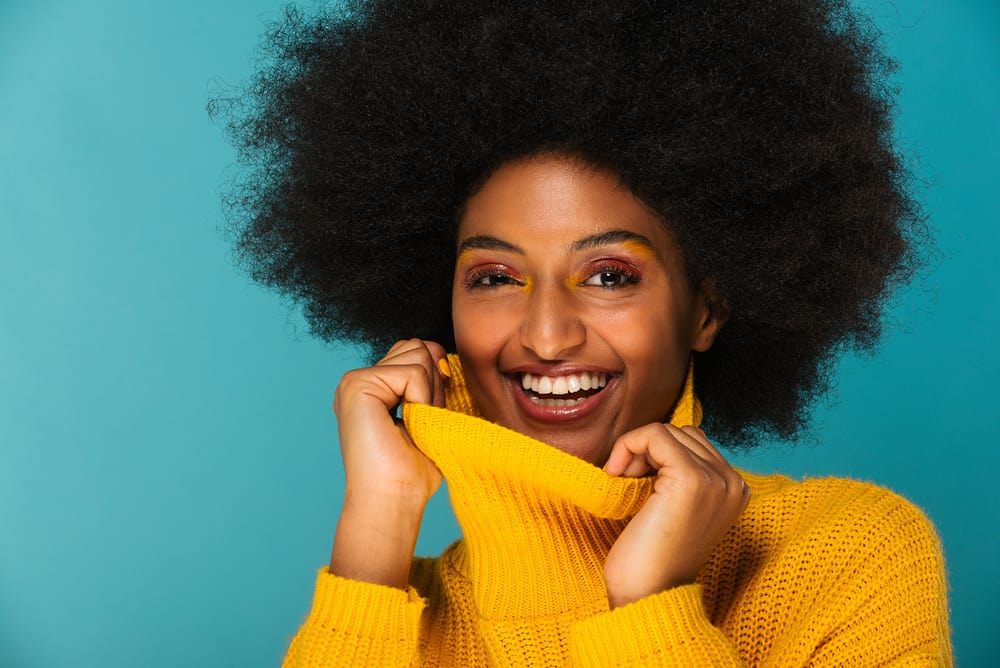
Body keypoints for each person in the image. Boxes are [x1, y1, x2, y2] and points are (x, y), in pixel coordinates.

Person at [216, 0, 952, 665]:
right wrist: (377, 525)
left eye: (608, 276)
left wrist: (652, 603)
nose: (545, 336)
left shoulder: (850, 554)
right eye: (495, 278)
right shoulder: (388, 613)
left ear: (706, 311)